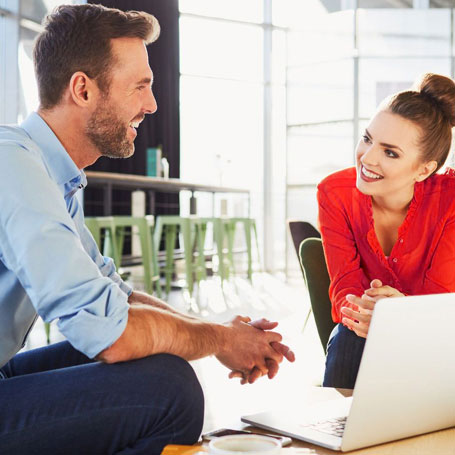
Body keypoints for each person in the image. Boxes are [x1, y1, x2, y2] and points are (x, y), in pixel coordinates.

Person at [0, 4, 294, 454]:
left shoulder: (53, 178)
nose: (152, 104)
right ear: (83, 89)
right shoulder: (14, 167)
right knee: (169, 391)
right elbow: (112, 336)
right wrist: (220, 338)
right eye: (139, 86)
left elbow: (116, 298)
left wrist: (217, 332)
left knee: (158, 356)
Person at [317, 73, 455, 389]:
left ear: (424, 169)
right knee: (350, 334)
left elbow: (440, 304)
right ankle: (342, 421)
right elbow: (344, 287)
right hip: (362, 333)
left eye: (390, 152)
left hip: (435, 334)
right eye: (367, 139)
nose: (367, 158)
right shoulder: (334, 193)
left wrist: (397, 313)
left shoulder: (450, 200)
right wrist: (368, 314)